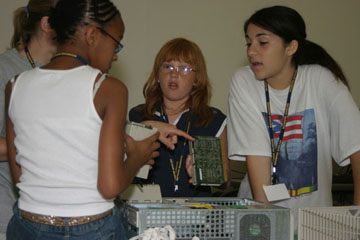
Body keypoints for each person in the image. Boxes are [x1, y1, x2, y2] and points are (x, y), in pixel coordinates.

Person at [5, 0, 160, 239]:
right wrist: (137, 156)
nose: (116, 56)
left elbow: (20, 176)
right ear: (92, 35)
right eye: (116, 44)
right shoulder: (109, 88)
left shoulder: (14, 85)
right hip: (91, 227)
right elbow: (109, 186)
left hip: (28, 225)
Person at [227, 5, 360, 232]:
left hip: (315, 225)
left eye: (263, 42)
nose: (251, 51)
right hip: (258, 221)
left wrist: (356, 220)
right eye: (249, 42)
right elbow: (258, 157)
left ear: (291, 47)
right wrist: (265, 228)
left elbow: (357, 148)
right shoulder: (244, 81)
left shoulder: (321, 80)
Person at [129, 38, 230, 198]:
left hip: (197, 215)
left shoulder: (213, 119)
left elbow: (225, 182)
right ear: (157, 75)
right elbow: (124, 168)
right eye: (167, 66)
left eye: (184, 68)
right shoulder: (139, 115)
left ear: (197, 79)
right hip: (149, 210)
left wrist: (208, 174)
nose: (174, 74)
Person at [0, 1, 58, 239]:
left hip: (57, 223)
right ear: (47, 24)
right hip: (9, 220)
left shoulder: (72, 72)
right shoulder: (5, 69)